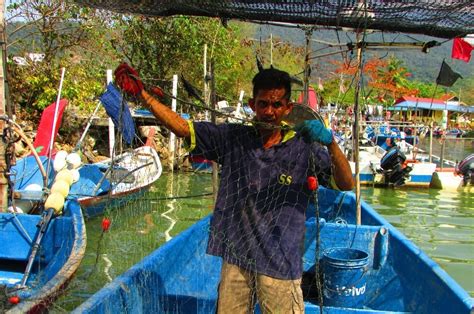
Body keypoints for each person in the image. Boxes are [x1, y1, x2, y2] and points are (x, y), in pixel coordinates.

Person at [114, 63, 354, 313]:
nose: (269, 111)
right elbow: (183, 128)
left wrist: (331, 144)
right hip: (237, 256)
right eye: (263, 104)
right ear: (253, 105)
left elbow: (346, 184)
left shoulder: (305, 147)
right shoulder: (234, 138)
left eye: (276, 104)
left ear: (288, 108)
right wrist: (142, 94)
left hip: (281, 262)